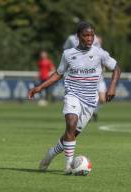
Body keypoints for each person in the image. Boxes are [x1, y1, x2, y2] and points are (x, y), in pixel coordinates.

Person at [28, 21, 121, 174]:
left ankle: (50, 154)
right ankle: (68, 166)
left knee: (70, 135)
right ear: (78, 36)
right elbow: (58, 74)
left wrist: (112, 86)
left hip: (90, 101)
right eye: (86, 35)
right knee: (71, 123)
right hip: (73, 95)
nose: (90, 38)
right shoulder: (68, 54)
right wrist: (39, 88)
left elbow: (116, 68)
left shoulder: (99, 53)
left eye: (92, 35)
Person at [64, 33, 106, 121]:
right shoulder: (71, 39)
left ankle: (92, 112)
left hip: (96, 74)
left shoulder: (95, 40)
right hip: (81, 74)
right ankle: (86, 113)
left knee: (102, 99)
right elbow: (66, 50)